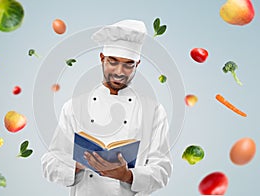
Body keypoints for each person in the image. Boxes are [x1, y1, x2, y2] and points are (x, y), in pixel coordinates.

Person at [41, 19, 172, 196]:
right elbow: (49, 164)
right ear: (102, 59)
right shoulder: (74, 106)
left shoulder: (154, 111)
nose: (119, 71)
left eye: (128, 64)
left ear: (137, 65)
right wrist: (80, 164)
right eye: (113, 61)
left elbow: (162, 171)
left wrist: (127, 175)